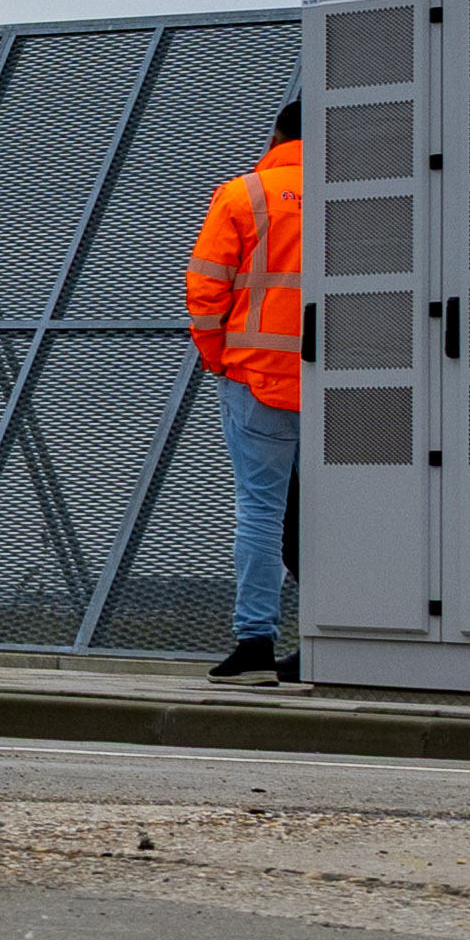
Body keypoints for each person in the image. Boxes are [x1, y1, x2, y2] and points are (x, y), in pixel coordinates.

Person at [184, 99, 311, 683]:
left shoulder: (243, 196)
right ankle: (337, 638)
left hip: (257, 379)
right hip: (348, 387)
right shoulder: (363, 196)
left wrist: (218, 361)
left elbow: (207, 290)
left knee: (261, 511)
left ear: (276, 134)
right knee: (339, 515)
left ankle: (256, 643)